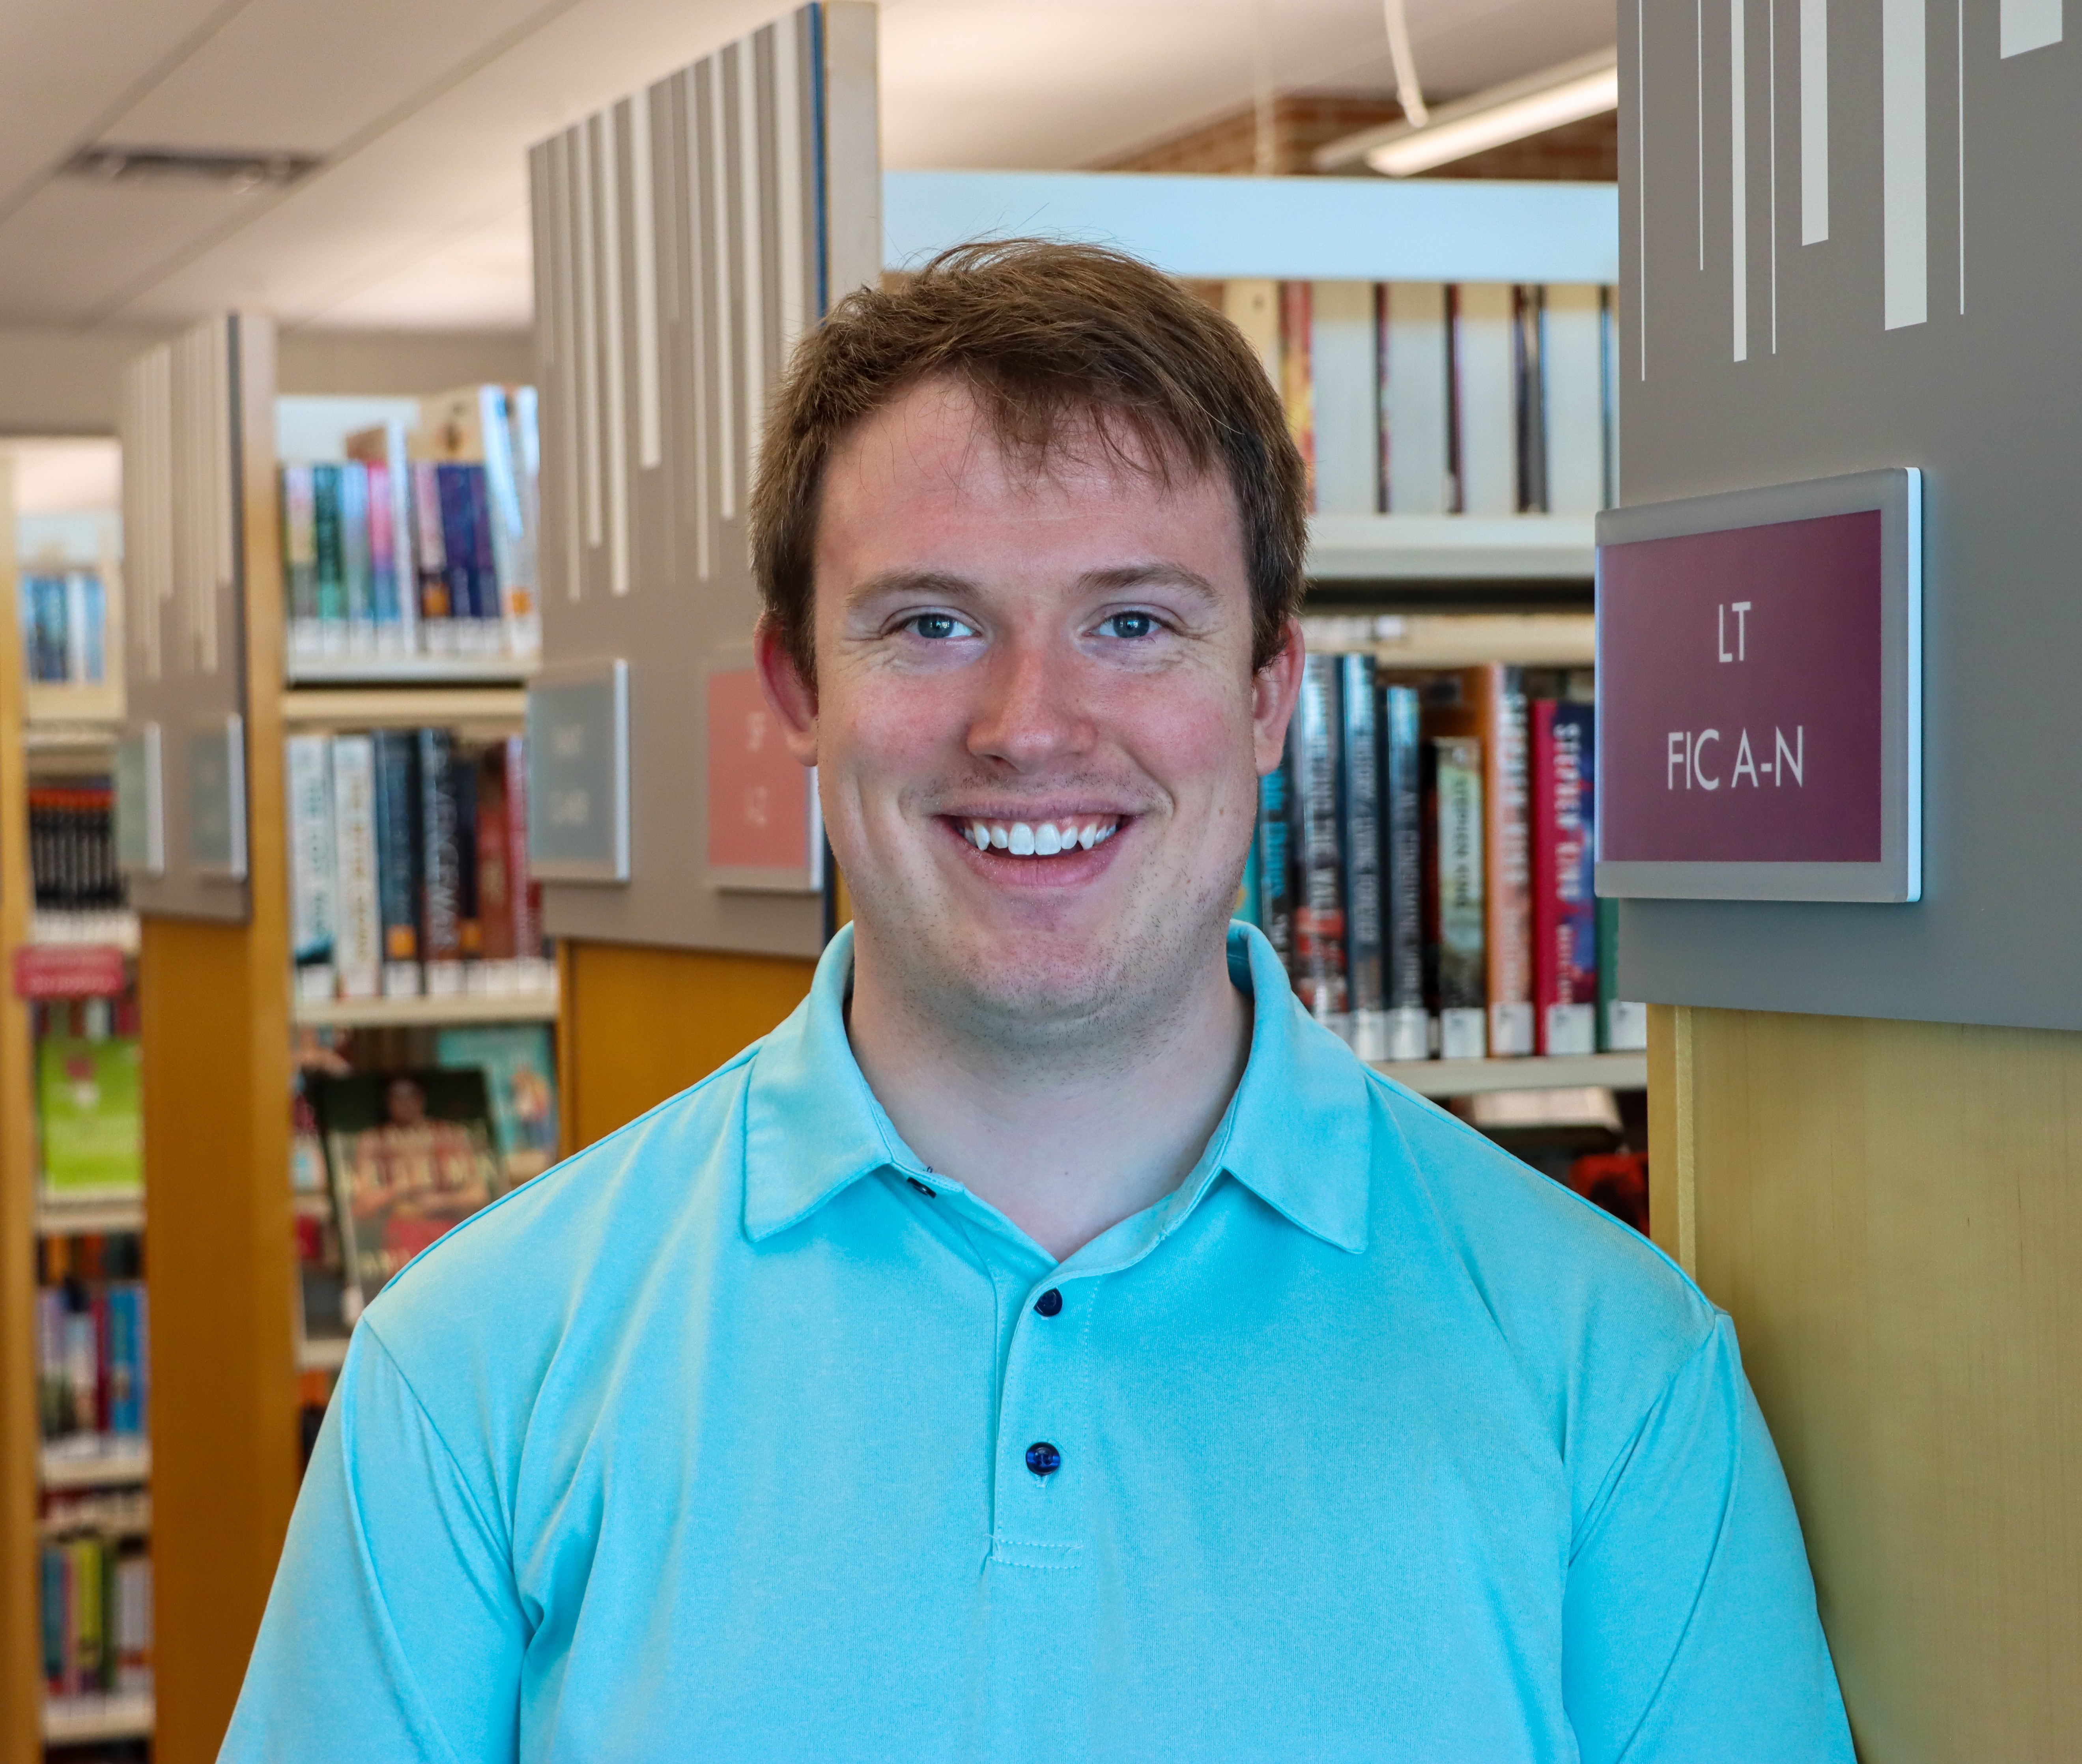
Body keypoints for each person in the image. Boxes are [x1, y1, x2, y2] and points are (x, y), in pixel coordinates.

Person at [222, 241, 1854, 1761]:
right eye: (931, 624)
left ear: (1271, 690)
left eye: (1134, 622)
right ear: (797, 687)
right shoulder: (472, 1369)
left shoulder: (1615, 1373)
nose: (1031, 723)